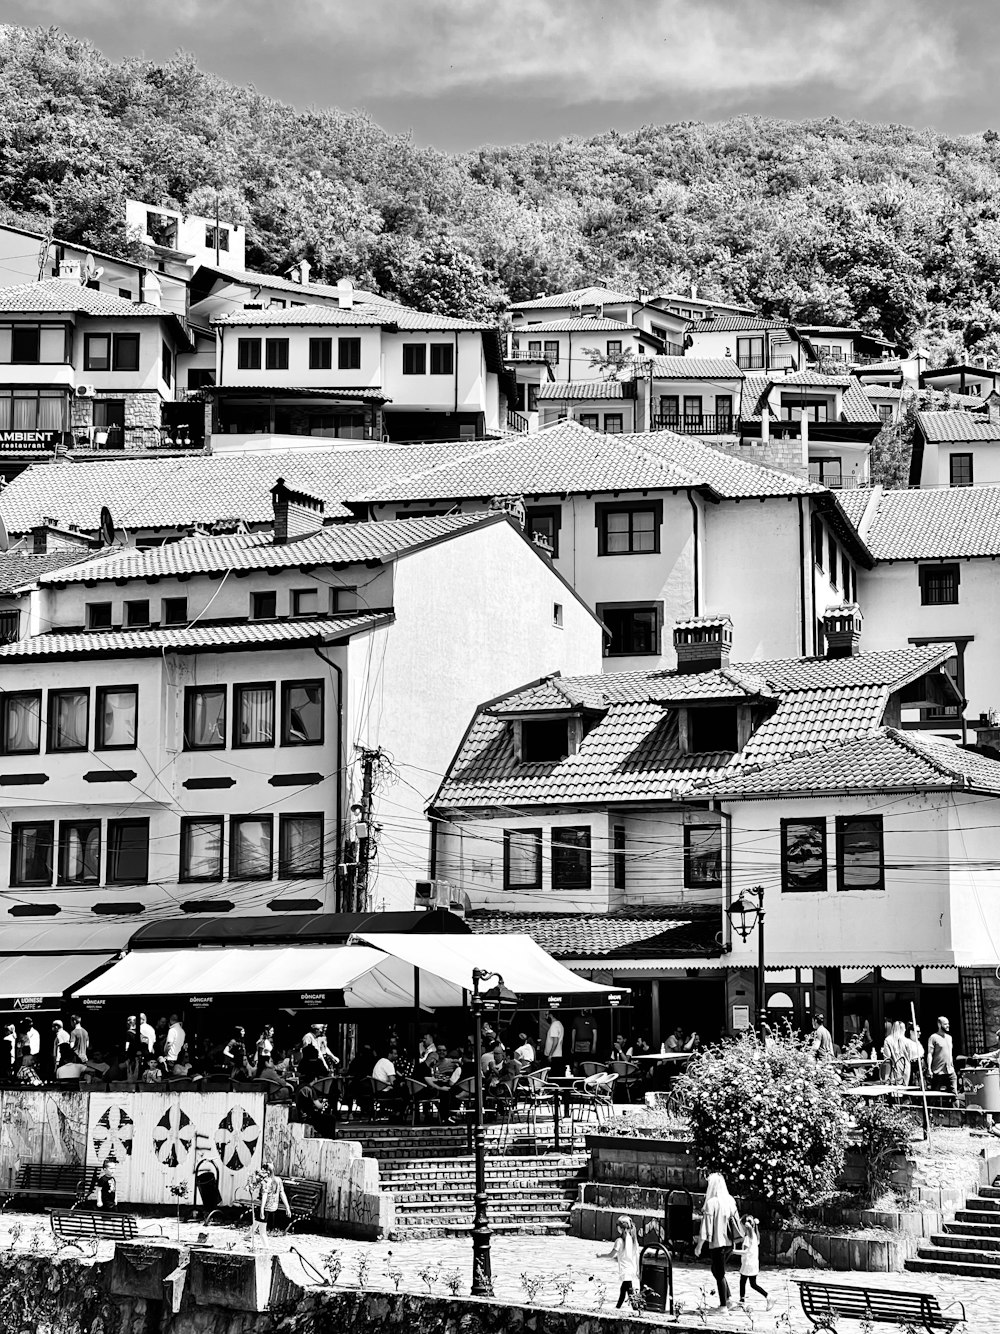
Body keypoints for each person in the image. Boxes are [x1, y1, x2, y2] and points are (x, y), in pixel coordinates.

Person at [695, 1172, 743, 1311]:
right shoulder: (730, 1201)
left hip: (717, 1244)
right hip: (730, 1243)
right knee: (716, 1270)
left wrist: (699, 1246)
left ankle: (723, 1306)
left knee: (719, 1273)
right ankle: (728, 1299)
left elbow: (706, 1227)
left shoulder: (711, 1203)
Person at [597, 1214, 640, 1310]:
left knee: (629, 1291)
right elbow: (637, 1255)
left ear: (620, 1228)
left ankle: (634, 1309)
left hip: (625, 1270)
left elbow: (611, 1254)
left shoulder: (619, 1241)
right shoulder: (633, 1240)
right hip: (631, 1269)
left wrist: (601, 1255)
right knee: (624, 1290)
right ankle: (618, 1307)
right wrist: (638, 1269)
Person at [251, 1162, 291, 1246]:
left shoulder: (265, 1182)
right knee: (257, 1220)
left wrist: (262, 1209)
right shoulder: (278, 1180)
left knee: (262, 1231)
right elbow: (282, 1193)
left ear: (267, 1171)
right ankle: (248, 1235)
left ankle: (267, 1248)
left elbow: (264, 1195)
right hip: (273, 1206)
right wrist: (287, 1207)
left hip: (264, 1207)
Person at [739, 1215, 768, 1306]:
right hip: (753, 1263)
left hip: (747, 1264)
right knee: (751, 1283)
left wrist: (733, 1251)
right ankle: (742, 1299)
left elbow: (745, 1251)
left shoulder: (748, 1238)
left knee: (744, 1281)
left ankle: (742, 1299)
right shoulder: (755, 1236)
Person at [927, 1016, 958, 1098]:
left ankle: (955, 1110)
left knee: (954, 1094)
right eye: (945, 1024)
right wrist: (929, 1069)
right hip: (938, 1071)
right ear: (939, 1025)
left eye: (948, 1024)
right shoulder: (933, 1037)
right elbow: (930, 1053)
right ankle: (931, 1110)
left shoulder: (949, 1038)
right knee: (934, 1094)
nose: (948, 1025)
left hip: (950, 1070)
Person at [882, 1020, 909, 1085]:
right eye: (904, 1028)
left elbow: (887, 1058)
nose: (905, 1030)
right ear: (902, 1029)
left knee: (894, 1093)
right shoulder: (907, 1041)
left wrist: (885, 1079)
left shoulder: (888, 1040)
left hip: (894, 1072)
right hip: (906, 1070)